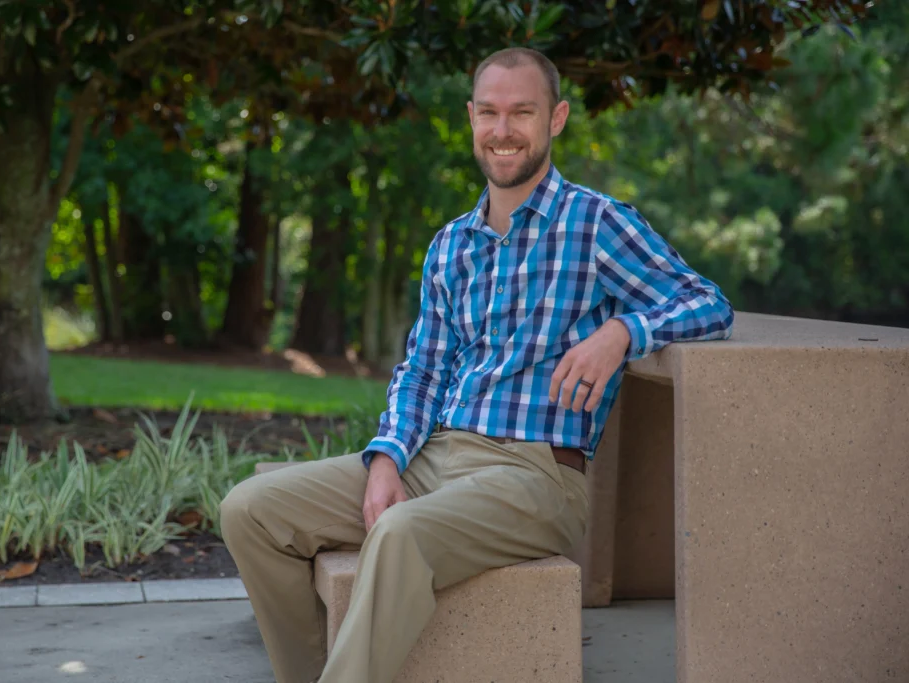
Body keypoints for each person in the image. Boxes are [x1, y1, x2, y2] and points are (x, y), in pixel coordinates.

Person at [219, 47, 734, 683]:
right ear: (470, 118)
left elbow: (707, 302)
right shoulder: (451, 245)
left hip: (537, 475)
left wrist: (624, 331)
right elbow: (424, 370)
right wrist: (386, 458)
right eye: (489, 112)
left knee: (400, 535)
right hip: (438, 456)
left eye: (522, 112)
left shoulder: (596, 223)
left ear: (557, 119)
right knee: (251, 511)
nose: (502, 130)